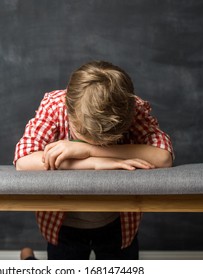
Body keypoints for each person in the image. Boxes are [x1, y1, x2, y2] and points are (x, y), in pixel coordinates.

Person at [14, 61, 174, 260]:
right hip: (65, 223)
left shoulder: (131, 106)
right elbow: (23, 161)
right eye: (83, 134)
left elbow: (163, 157)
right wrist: (95, 163)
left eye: (105, 142)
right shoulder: (54, 104)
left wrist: (87, 149)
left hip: (118, 224)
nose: (95, 143)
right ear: (68, 109)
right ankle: (28, 259)